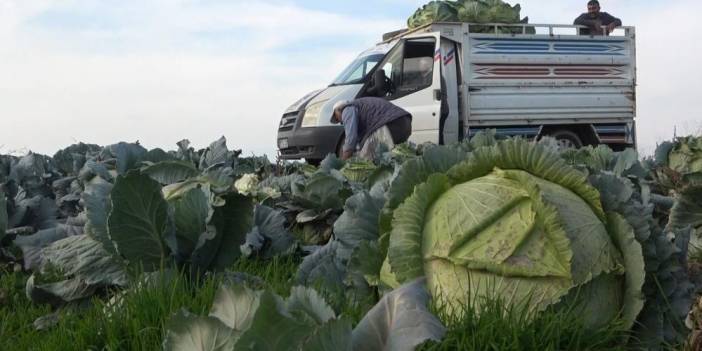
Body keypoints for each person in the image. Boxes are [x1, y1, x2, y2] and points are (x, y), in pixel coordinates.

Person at [330, 97, 412, 160]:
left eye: (337, 118)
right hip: (404, 122)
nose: (340, 121)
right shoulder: (361, 107)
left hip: (390, 123)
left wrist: (343, 163)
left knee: (366, 159)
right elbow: (360, 140)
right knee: (396, 157)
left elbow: (351, 138)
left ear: (338, 110)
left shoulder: (347, 109)